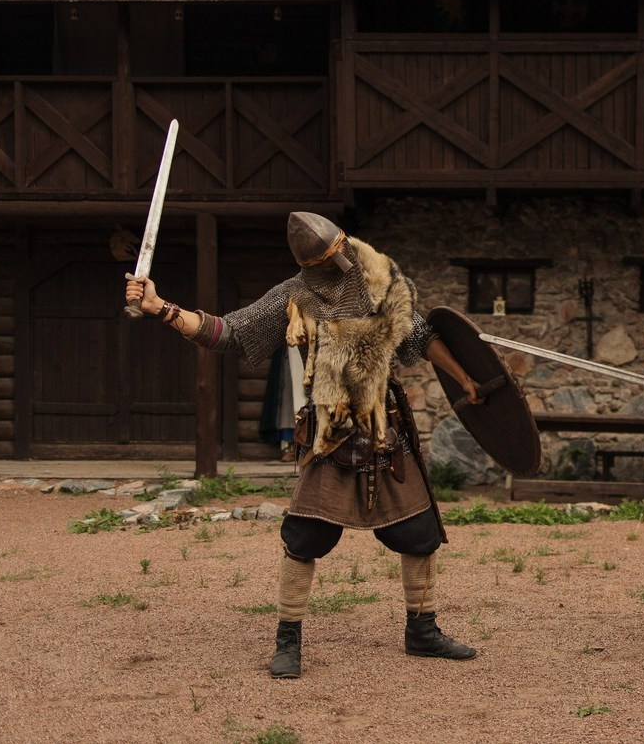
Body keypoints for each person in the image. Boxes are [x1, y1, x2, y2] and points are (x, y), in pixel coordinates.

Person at [124, 212, 482, 678]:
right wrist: (161, 308)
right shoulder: (293, 297)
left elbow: (423, 336)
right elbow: (228, 333)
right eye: (329, 260)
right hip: (330, 437)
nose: (341, 263)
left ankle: (423, 631)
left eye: (341, 252)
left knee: (419, 534)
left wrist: (465, 379)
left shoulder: (380, 284)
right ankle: (288, 640)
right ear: (313, 265)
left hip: (385, 433)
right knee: (304, 538)